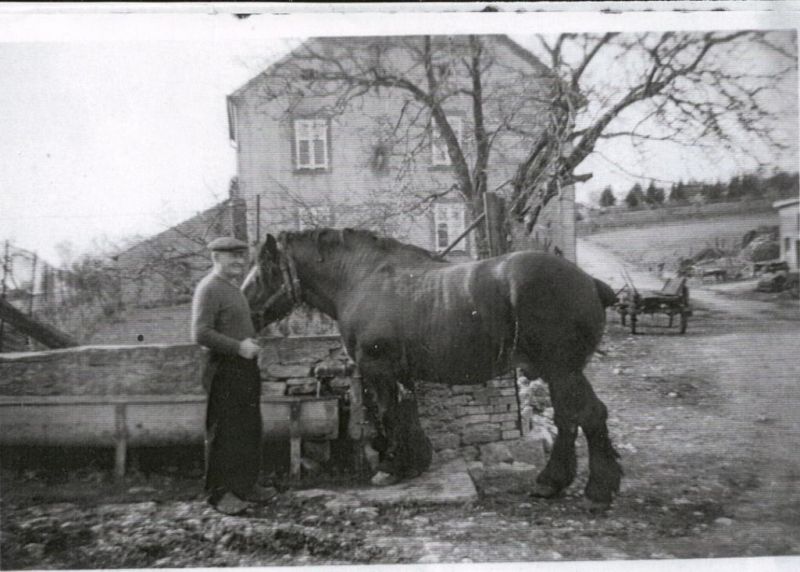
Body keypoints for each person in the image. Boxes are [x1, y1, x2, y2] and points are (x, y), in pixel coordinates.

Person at [191, 236, 276, 515]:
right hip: (223, 367)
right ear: (216, 258)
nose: (239, 261)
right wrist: (239, 347)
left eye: (242, 256)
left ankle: (245, 486)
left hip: (243, 367)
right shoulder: (209, 288)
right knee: (224, 431)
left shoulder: (233, 288)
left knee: (248, 428)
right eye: (232, 256)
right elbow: (200, 333)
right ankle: (219, 494)